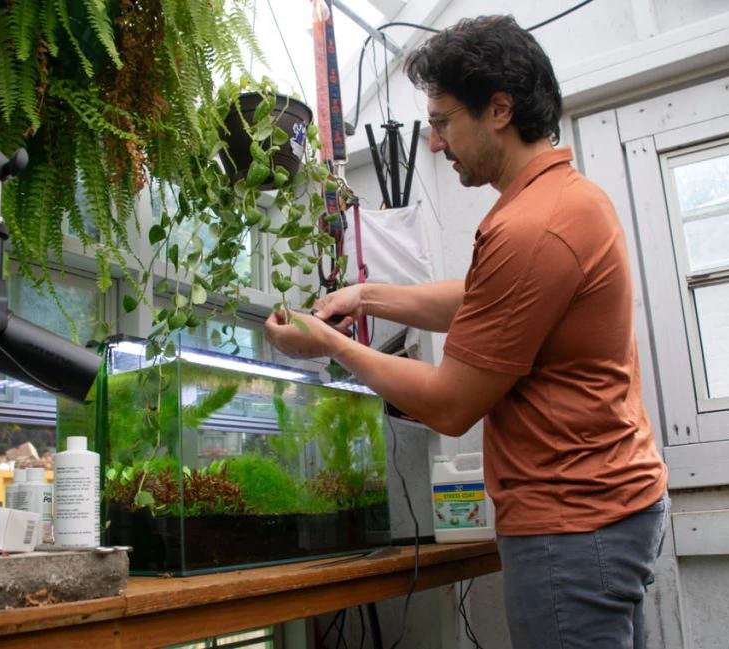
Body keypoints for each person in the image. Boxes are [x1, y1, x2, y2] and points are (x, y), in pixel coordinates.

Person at [264, 14, 669, 649]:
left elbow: (451, 405)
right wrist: (367, 294)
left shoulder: (531, 229)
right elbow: (483, 302)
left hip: (572, 524)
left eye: (445, 121)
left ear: (499, 109)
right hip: (609, 509)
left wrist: (333, 346)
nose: (434, 142)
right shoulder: (567, 200)